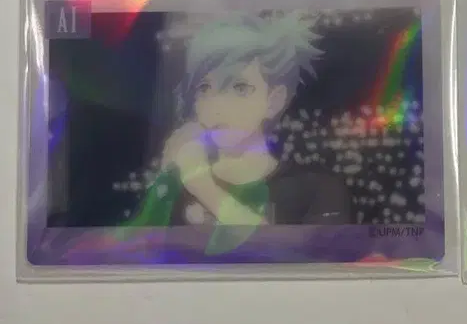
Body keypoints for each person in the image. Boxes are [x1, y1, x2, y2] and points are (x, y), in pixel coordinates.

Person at [125, 13, 350, 250]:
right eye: (204, 88)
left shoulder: (317, 189)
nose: (217, 106)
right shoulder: (175, 185)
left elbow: (305, 261)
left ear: (274, 100)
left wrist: (203, 186)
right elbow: (127, 255)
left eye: (240, 88)